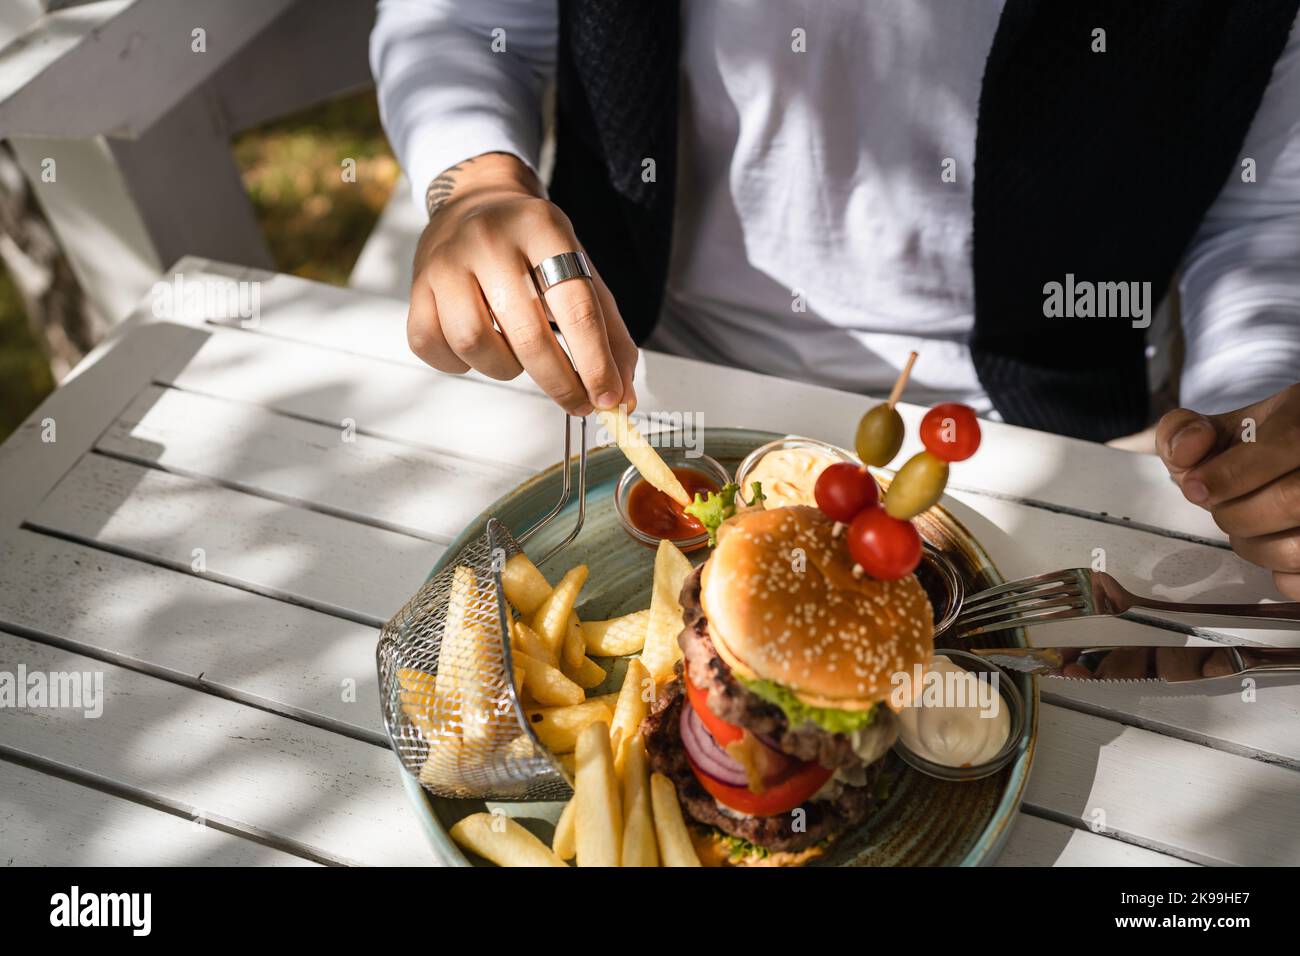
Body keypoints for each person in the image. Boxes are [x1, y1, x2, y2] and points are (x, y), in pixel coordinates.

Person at [371, 1, 1300, 597]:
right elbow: (459, 24)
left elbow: (1265, 211)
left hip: (1022, 442)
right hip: (651, 371)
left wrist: (1257, 435)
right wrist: (480, 179)